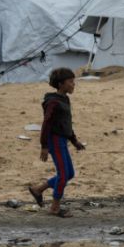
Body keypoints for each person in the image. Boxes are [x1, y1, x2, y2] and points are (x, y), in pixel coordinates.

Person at [28, 68, 85, 218]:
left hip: (63, 140)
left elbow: (66, 124)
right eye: (71, 82)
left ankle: (38, 189)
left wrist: (74, 141)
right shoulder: (52, 102)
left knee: (69, 174)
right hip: (54, 141)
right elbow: (46, 123)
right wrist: (44, 146)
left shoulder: (65, 99)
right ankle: (55, 207)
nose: (74, 85)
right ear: (61, 84)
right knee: (63, 174)